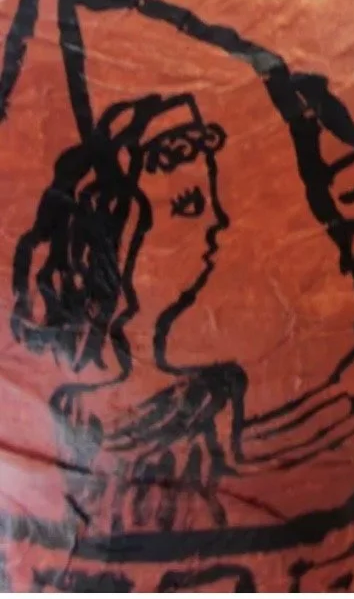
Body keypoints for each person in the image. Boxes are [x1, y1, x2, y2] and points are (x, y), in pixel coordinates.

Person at [11, 93, 244, 534]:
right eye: (189, 205)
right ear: (116, 232)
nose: (218, 221)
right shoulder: (77, 412)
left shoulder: (214, 393)